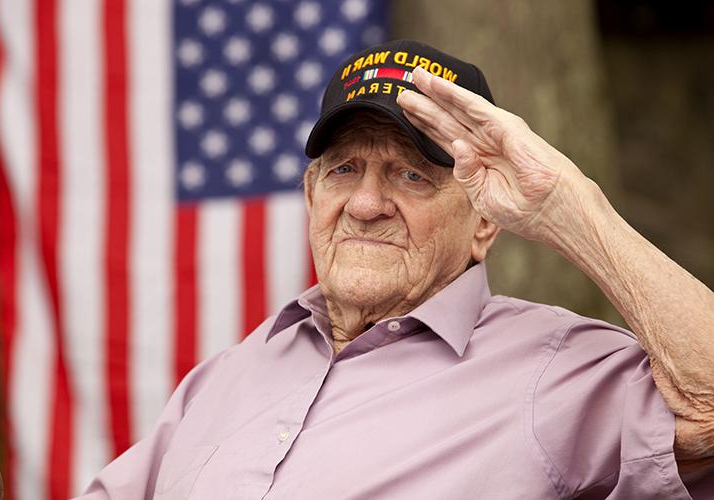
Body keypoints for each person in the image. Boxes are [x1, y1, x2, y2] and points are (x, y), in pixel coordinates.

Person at [76, 40, 713, 499]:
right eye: (344, 170)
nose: (366, 204)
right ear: (311, 194)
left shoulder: (555, 372)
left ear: (484, 221)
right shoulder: (226, 376)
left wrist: (565, 206)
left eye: (412, 174)